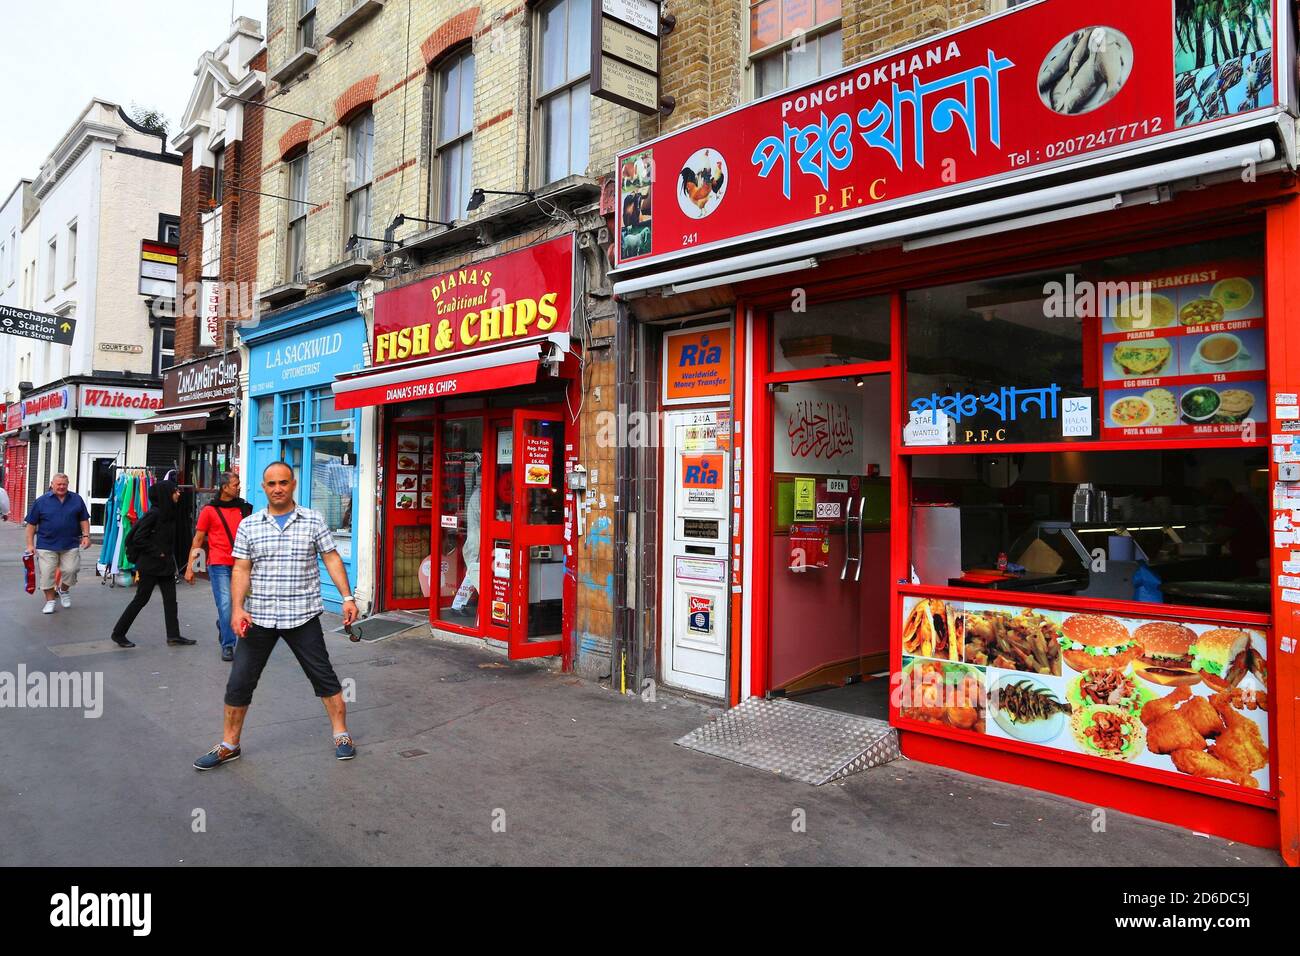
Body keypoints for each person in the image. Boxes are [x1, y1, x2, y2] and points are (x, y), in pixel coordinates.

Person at [193, 461, 360, 771]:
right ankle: (230, 744)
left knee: (323, 676)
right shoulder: (250, 525)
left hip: (302, 615)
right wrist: (238, 607)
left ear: (293, 484)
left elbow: (332, 558)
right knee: (239, 681)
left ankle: (342, 734)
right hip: (259, 617)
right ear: (264, 487)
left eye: (283, 482)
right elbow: (241, 568)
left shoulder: (312, 520)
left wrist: (348, 597)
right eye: (272, 484)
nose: (278, 488)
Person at [110, 480, 196, 649]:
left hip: (165, 566)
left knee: (171, 600)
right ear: (166, 494)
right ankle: (118, 633)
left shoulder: (168, 513)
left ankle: (173, 635)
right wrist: (158, 552)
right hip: (150, 565)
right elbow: (137, 538)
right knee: (141, 599)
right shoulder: (154, 514)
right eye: (175, 491)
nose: (178, 493)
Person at [184, 472, 250, 662]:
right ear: (224, 488)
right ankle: (228, 645)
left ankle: (223, 624)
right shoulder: (209, 511)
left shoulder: (244, 509)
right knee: (226, 604)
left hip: (242, 564)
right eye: (235, 484)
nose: (238, 487)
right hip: (219, 563)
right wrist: (190, 568)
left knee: (237, 605)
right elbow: (197, 540)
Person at [23, 473, 91, 614]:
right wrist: (30, 544)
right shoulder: (41, 501)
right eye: (58, 484)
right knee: (47, 575)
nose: (61, 487)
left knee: (71, 570)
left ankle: (63, 590)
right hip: (46, 545)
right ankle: (50, 601)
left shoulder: (76, 499)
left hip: (70, 543)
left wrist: (86, 536)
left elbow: (84, 519)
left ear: (68, 484)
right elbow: (31, 524)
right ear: (52, 484)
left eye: (64, 484)